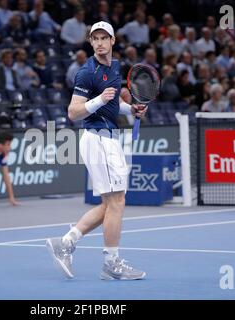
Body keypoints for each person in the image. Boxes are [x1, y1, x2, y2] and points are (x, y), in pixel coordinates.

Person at [46, 21, 148, 281]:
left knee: (108, 205)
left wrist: (131, 109)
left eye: (105, 38)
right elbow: (73, 112)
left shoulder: (114, 67)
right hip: (98, 139)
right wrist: (99, 99)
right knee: (117, 202)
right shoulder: (86, 73)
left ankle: (65, 243)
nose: (100, 42)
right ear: (91, 43)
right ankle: (111, 264)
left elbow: (114, 104)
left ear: (113, 41)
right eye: (96, 38)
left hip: (108, 139)